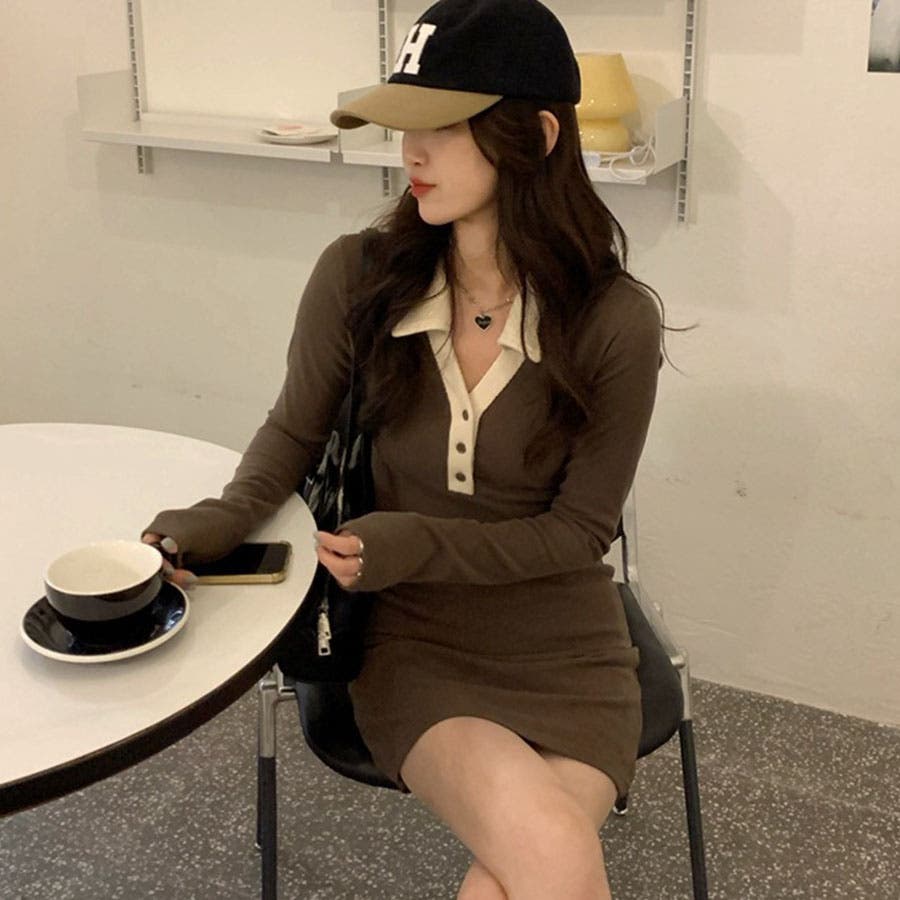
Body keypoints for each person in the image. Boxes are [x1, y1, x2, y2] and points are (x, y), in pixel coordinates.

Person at [144, 0, 669, 896]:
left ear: (537, 137)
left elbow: (579, 533)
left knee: (516, 876)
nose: (410, 154)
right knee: (552, 853)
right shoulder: (358, 277)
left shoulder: (615, 320)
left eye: (442, 128)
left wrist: (412, 540)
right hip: (413, 639)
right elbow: (293, 432)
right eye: (405, 127)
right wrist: (216, 521)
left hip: (567, 648)